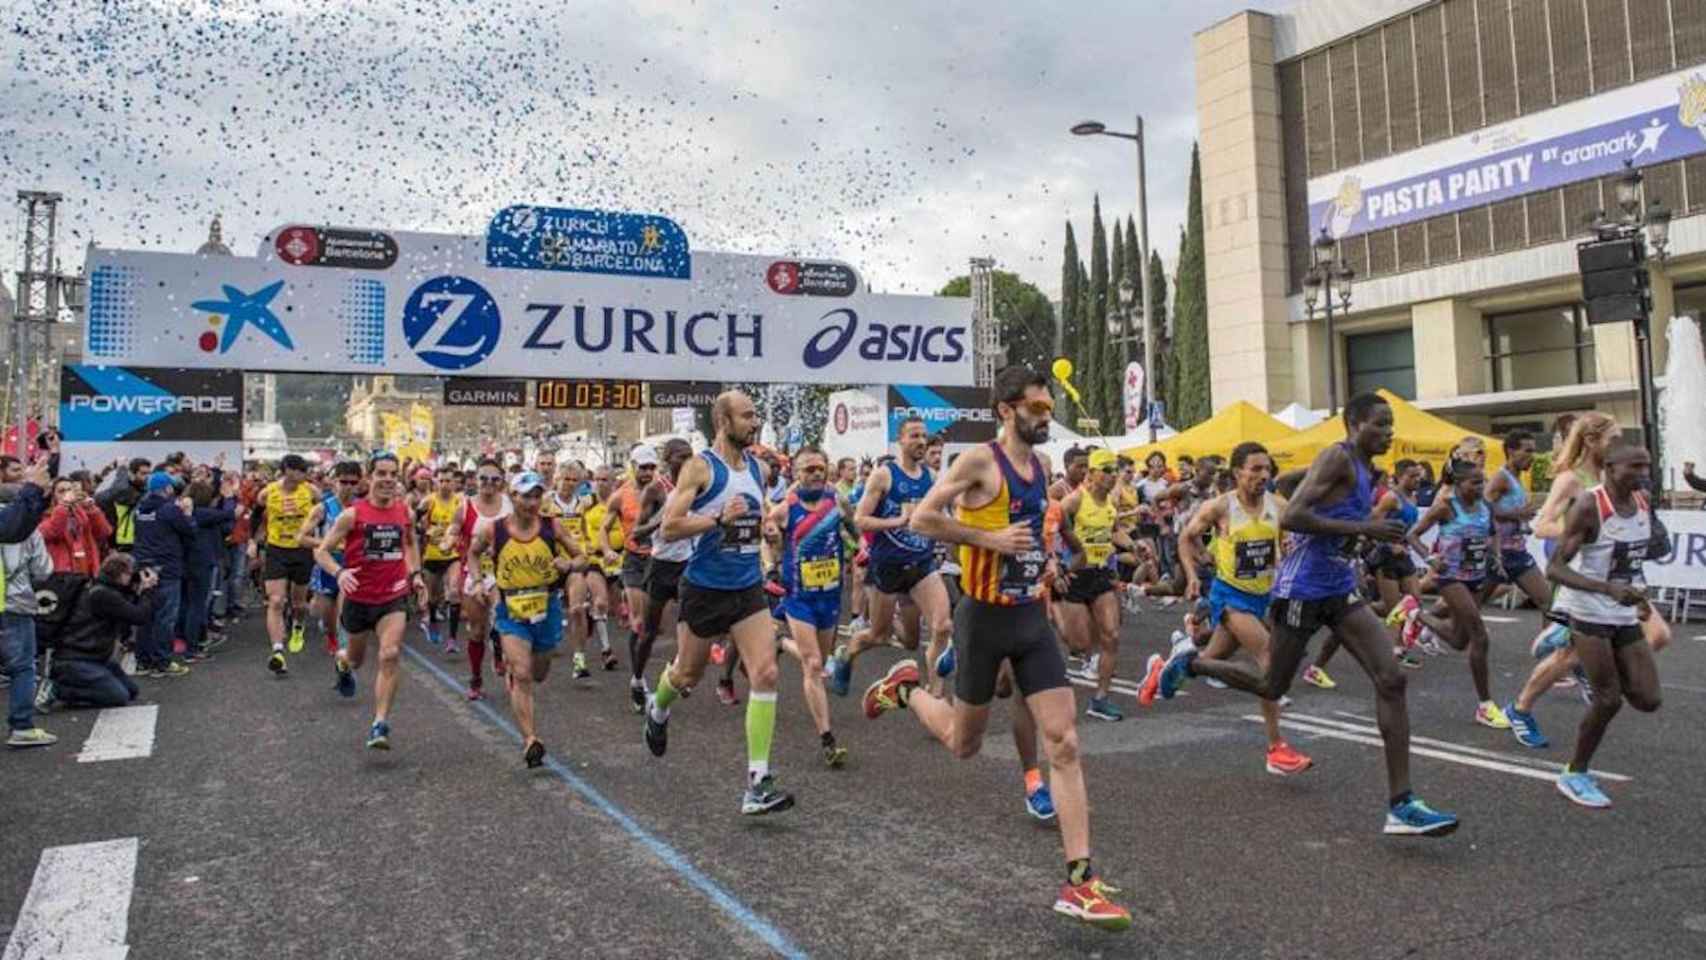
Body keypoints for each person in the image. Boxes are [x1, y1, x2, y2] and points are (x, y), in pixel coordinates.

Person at [864, 365, 1130, 930]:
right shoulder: (978, 462)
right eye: (1036, 406)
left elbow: (1032, 528)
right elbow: (924, 518)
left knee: (1064, 739)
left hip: (1030, 616)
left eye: (1048, 405)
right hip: (982, 619)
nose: (1046, 414)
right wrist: (987, 539)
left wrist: (1047, 560)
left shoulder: (1042, 467)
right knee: (964, 743)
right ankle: (907, 689)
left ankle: (1079, 880)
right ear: (1006, 410)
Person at [1141, 393, 1458, 837]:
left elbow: (1313, 502)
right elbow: (1296, 517)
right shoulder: (1338, 457)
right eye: (1380, 424)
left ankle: (1401, 804)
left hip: (1339, 586)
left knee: (1391, 678)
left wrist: (1361, 540)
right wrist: (1364, 528)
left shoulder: (1369, 471)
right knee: (1273, 683)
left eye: (1391, 425)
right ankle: (1188, 662)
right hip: (1301, 588)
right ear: (1353, 425)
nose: (1388, 432)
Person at [645, 390, 796, 816]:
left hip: (747, 587)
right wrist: (716, 520)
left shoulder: (758, 467)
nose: (755, 422)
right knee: (688, 673)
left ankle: (758, 782)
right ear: (723, 421)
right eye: (747, 416)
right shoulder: (699, 467)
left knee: (765, 672)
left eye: (756, 415)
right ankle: (658, 708)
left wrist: (768, 533)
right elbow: (670, 528)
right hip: (705, 588)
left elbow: (757, 517)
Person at [1504, 413, 1673, 748]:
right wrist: (1587, 533)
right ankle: (1520, 708)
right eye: (1613, 439)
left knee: (1659, 635)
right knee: (1568, 657)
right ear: (1592, 441)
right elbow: (1542, 525)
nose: (1619, 446)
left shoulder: (1619, 475)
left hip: (1623, 580)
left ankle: (1589, 664)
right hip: (1583, 579)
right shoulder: (1571, 479)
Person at [1158, 441, 1313, 775]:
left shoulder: (1279, 506)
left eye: (1267, 469)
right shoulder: (1220, 507)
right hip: (1229, 596)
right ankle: (1276, 749)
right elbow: (1186, 537)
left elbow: (1289, 543)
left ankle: (1173, 667)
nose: (1262, 475)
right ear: (1237, 472)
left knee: (1210, 662)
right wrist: (1192, 575)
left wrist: (1287, 554)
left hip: (1263, 597)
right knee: (1270, 658)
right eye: (1255, 469)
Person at [1547, 440, 1665, 808]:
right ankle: (1575, 773)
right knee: (1609, 699)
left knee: (1648, 698)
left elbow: (1655, 549)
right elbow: (1555, 568)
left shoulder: (1643, 501)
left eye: (1647, 467)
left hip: (1624, 611)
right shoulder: (1589, 505)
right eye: (1635, 467)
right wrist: (1607, 588)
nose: (1644, 474)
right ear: (1611, 467)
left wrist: (1657, 531)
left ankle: (1577, 654)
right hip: (1591, 610)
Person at [827, 417, 952, 698]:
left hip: (920, 564)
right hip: (888, 566)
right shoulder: (885, 475)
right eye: (914, 436)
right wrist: (897, 521)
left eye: (923, 436)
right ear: (901, 441)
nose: (921, 441)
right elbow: (860, 519)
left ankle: (935, 695)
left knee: (936, 629)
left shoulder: (930, 478)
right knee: (878, 636)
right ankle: (846, 655)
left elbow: (932, 519)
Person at [314, 451, 430, 750]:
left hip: (392, 596)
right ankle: (342, 663)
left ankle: (379, 723)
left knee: (390, 654)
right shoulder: (352, 514)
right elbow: (321, 551)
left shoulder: (405, 512)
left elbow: (409, 545)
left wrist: (415, 574)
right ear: (370, 477)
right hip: (358, 598)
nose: (388, 480)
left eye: (393, 474)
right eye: (382, 473)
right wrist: (339, 573)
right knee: (355, 659)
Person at [465, 471, 581, 766]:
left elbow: (582, 556)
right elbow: (473, 553)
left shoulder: (552, 526)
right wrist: (478, 582)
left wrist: (568, 564)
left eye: (536, 495)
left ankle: (519, 679)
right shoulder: (494, 530)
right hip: (511, 609)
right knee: (522, 672)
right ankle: (530, 738)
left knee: (539, 671)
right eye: (525, 495)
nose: (531, 502)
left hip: (546, 607)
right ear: (512, 496)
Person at [766, 445, 855, 767]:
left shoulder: (837, 502)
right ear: (796, 474)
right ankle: (828, 740)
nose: (816, 473)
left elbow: (854, 530)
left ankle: (780, 641)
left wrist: (859, 551)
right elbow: (767, 532)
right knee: (814, 665)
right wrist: (770, 565)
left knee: (824, 659)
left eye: (821, 467)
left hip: (830, 595)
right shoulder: (786, 508)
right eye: (808, 469)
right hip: (799, 596)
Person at [1405, 459, 1505, 728]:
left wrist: (1496, 555)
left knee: (1459, 641)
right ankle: (1485, 706)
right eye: (1475, 482)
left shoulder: (1485, 506)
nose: (1481, 486)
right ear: (1459, 484)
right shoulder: (1446, 507)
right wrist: (1430, 558)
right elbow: (1413, 535)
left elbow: (1493, 533)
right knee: (1479, 636)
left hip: (1476, 578)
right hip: (1450, 578)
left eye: (1482, 481)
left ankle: (1415, 614)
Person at [1054, 448, 1134, 722]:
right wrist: (1054, 566)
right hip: (1075, 576)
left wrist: (1135, 545)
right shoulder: (1073, 502)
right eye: (1107, 471)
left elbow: (1113, 532)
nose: (1113, 476)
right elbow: (1050, 533)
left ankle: (1100, 698)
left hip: (1100, 574)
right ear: (1092, 473)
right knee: (1080, 642)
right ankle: (1053, 609)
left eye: (1115, 471)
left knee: (1111, 635)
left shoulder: (1111, 502)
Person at [626, 439, 694, 712]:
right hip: (660, 564)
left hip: (688, 564)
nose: (687, 461)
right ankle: (637, 679)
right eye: (681, 457)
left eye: (690, 456)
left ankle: (679, 673)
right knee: (650, 631)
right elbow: (637, 532)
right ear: (668, 460)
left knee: (693, 623)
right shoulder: (656, 489)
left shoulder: (696, 486)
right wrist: (662, 520)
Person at [44, 553, 157, 710]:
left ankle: (77, 683)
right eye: (131, 574)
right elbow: (139, 617)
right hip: (75, 660)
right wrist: (147, 592)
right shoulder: (102, 595)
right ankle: (57, 690)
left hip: (96, 658)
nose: (134, 577)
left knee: (131, 691)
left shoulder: (105, 588)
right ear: (122, 575)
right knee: (117, 696)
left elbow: (129, 611)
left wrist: (137, 592)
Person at [252, 454, 318, 673]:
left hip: (302, 550)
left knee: (299, 603)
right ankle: (278, 651)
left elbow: (323, 512)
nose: (304, 474)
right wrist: (254, 541)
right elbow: (257, 514)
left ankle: (298, 625)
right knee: (277, 600)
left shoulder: (311, 491)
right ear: (288, 470)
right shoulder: (268, 492)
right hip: (276, 550)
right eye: (300, 470)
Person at [454, 459, 512, 700]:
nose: (488, 484)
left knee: (501, 618)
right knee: (477, 630)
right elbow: (454, 528)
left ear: (502, 482)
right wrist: (448, 537)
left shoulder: (510, 506)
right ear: (475, 481)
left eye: (494, 479)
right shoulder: (465, 506)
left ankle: (499, 650)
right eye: (483, 479)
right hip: (474, 571)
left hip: (504, 573)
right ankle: (476, 678)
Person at [603, 448, 664, 675]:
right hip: (634, 560)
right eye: (643, 467)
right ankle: (637, 678)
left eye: (651, 468)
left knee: (656, 626)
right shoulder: (621, 495)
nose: (648, 472)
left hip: (658, 559)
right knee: (638, 623)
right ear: (633, 466)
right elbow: (605, 528)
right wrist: (608, 549)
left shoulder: (663, 491)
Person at [0, 496, 55, 747]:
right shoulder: (28, 528)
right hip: (16, 602)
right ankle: (21, 726)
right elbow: (43, 570)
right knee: (23, 667)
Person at [131, 471, 194, 678]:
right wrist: (187, 513)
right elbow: (189, 530)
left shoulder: (139, 509)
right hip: (167, 567)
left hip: (144, 568)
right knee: (165, 616)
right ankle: (162, 662)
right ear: (167, 489)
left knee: (146, 615)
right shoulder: (169, 509)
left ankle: (143, 661)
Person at [299, 461, 362, 656]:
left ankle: (343, 648)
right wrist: (325, 543)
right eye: (344, 482)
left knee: (345, 611)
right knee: (325, 613)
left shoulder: (363, 508)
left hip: (351, 565)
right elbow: (301, 537)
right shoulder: (322, 508)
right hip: (327, 564)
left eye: (353, 483)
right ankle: (331, 633)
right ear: (335, 482)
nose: (348, 487)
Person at [183, 477, 237, 661]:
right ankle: (192, 647)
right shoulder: (201, 514)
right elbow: (230, 514)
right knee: (198, 606)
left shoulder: (194, 513)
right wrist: (229, 497)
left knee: (195, 605)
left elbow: (226, 525)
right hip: (202, 563)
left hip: (193, 562)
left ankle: (197, 640)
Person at [419, 465, 465, 653]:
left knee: (454, 591)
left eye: (449, 481)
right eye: (442, 481)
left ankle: (453, 639)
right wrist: (426, 530)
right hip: (432, 554)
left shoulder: (460, 502)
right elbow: (414, 524)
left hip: (453, 554)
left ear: (454, 483)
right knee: (434, 596)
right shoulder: (428, 502)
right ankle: (432, 622)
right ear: (436, 482)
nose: (445, 485)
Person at [39, 477, 111, 576]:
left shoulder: (81, 513)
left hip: (86, 568)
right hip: (63, 574)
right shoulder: (44, 517)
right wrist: (63, 506)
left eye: (70, 490)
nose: (67, 494)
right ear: (53, 496)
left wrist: (91, 508)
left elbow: (104, 532)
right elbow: (54, 532)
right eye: (61, 491)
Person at [95, 458, 151, 555]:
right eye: (142, 473)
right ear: (132, 474)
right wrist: (122, 469)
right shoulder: (126, 492)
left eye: (148, 473)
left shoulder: (144, 490)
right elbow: (120, 489)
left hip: (137, 542)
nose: (146, 477)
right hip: (123, 543)